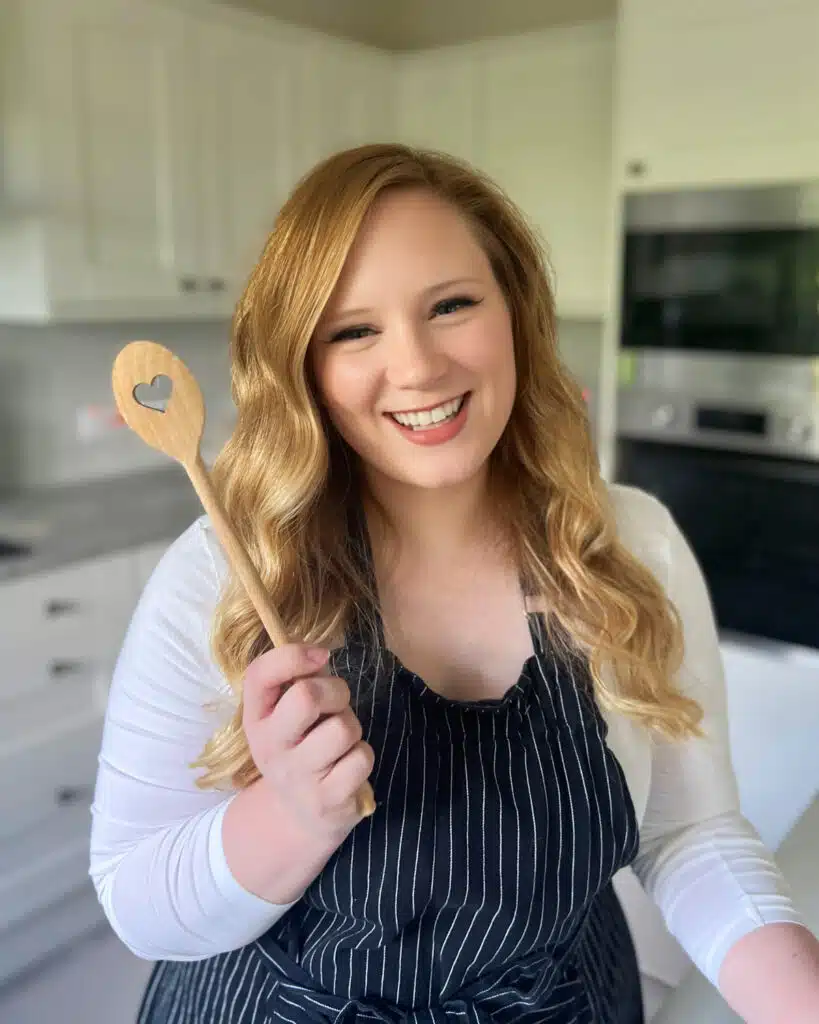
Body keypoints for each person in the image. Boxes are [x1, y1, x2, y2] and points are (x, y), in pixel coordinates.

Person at [90, 144, 819, 1024]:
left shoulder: (628, 547)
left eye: (451, 306)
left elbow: (687, 834)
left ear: (514, 311)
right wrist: (284, 820)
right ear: (303, 365)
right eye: (353, 330)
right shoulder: (228, 573)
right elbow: (137, 900)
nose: (419, 366)